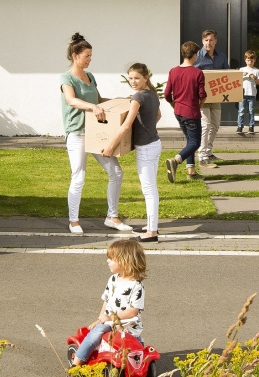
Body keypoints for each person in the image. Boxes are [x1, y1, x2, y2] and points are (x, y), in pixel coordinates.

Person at [60, 33, 131, 235]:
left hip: (96, 132)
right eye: (87, 56)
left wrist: (120, 101)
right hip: (77, 133)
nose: (90, 59)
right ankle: (74, 221)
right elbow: (71, 100)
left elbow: (98, 100)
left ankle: (112, 217)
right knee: (79, 177)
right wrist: (92, 107)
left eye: (91, 56)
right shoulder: (66, 78)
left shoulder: (90, 77)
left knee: (116, 172)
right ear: (75, 55)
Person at [66, 238, 147, 377]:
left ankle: (138, 367)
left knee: (137, 346)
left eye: (111, 259)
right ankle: (75, 366)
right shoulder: (113, 280)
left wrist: (113, 317)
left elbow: (133, 311)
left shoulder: (136, 286)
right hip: (109, 324)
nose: (107, 261)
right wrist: (101, 319)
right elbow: (107, 301)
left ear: (125, 262)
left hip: (128, 325)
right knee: (94, 335)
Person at [102, 63, 161, 243]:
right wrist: (147, 128)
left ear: (145, 78)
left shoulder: (138, 97)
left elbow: (126, 125)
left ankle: (152, 232)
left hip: (146, 148)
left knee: (149, 190)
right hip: (155, 143)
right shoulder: (152, 94)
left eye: (137, 78)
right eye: (130, 78)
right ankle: (152, 225)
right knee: (151, 188)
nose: (133, 81)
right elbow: (158, 115)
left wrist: (110, 146)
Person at [163, 41, 206, 183]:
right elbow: (202, 94)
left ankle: (191, 172)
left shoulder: (173, 71)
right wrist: (200, 104)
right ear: (194, 55)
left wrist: (173, 104)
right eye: (197, 55)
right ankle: (175, 160)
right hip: (191, 112)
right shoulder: (197, 73)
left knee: (190, 141)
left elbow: (167, 94)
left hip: (179, 112)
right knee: (195, 143)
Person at [194, 29, 229, 169]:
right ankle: (202, 157)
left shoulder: (221, 57)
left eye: (211, 40)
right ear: (202, 41)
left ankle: (208, 152)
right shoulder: (197, 56)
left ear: (215, 41)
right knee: (206, 125)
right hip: (201, 98)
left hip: (216, 96)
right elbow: (191, 75)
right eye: (206, 40)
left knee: (215, 125)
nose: (208, 43)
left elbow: (227, 74)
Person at [238, 50, 259, 135]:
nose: (250, 62)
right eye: (248, 60)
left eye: (251, 60)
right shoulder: (242, 69)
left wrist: (255, 78)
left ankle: (251, 126)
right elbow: (236, 80)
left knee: (251, 111)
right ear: (245, 60)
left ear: (254, 60)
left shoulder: (256, 70)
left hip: (252, 94)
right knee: (241, 110)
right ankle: (240, 126)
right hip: (242, 93)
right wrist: (242, 75)